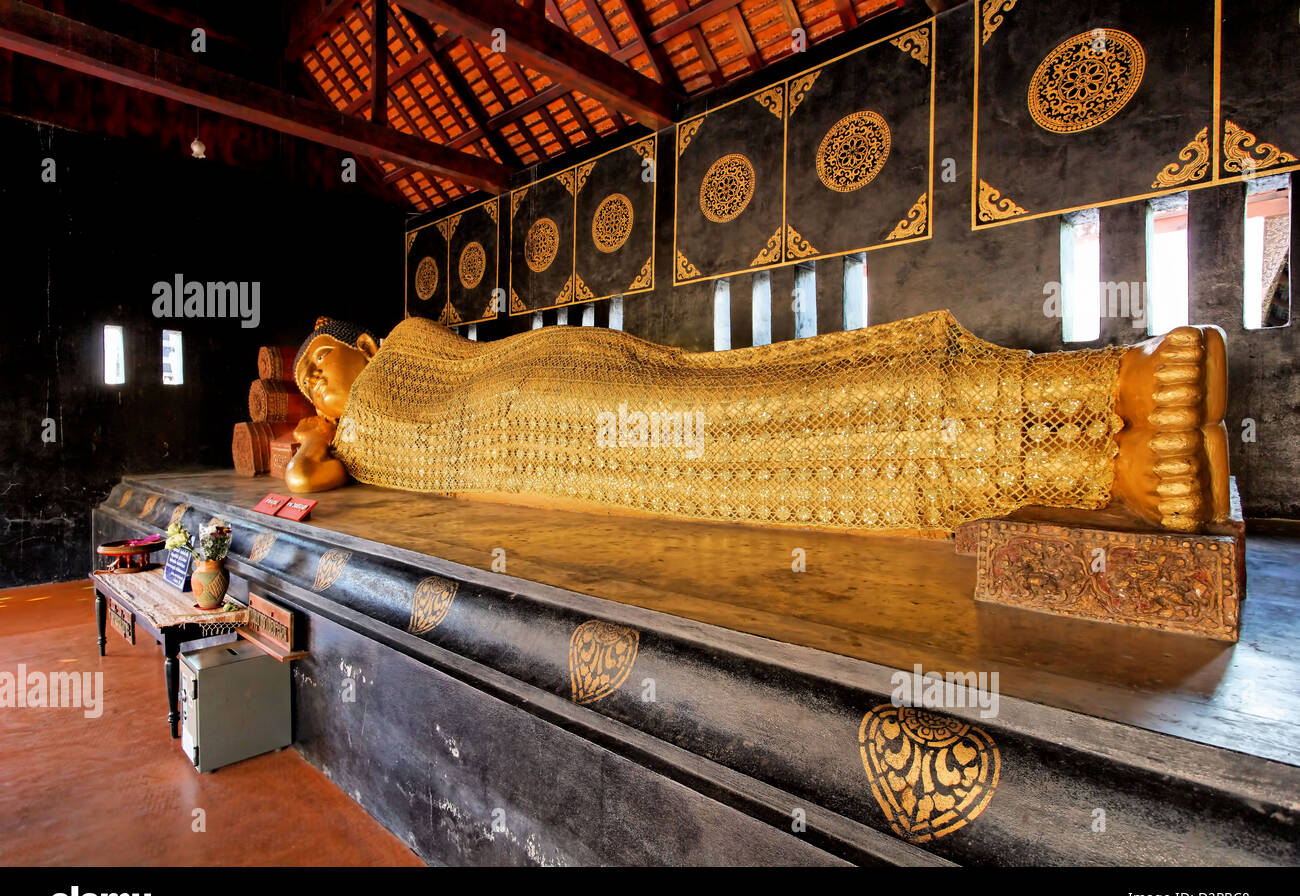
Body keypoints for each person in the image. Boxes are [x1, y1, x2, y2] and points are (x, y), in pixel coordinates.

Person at [285, 311, 1228, 534]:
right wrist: (322, 437)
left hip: (562, 381)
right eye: (311, 390)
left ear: (363, 344)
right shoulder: (354, 444)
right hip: (574, 458)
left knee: (756, 403)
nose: (323, 386)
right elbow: (305, 484)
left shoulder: (411, 341)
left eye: (325, 364)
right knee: (780, 445)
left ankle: (1118, 383)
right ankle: (1109, 472)